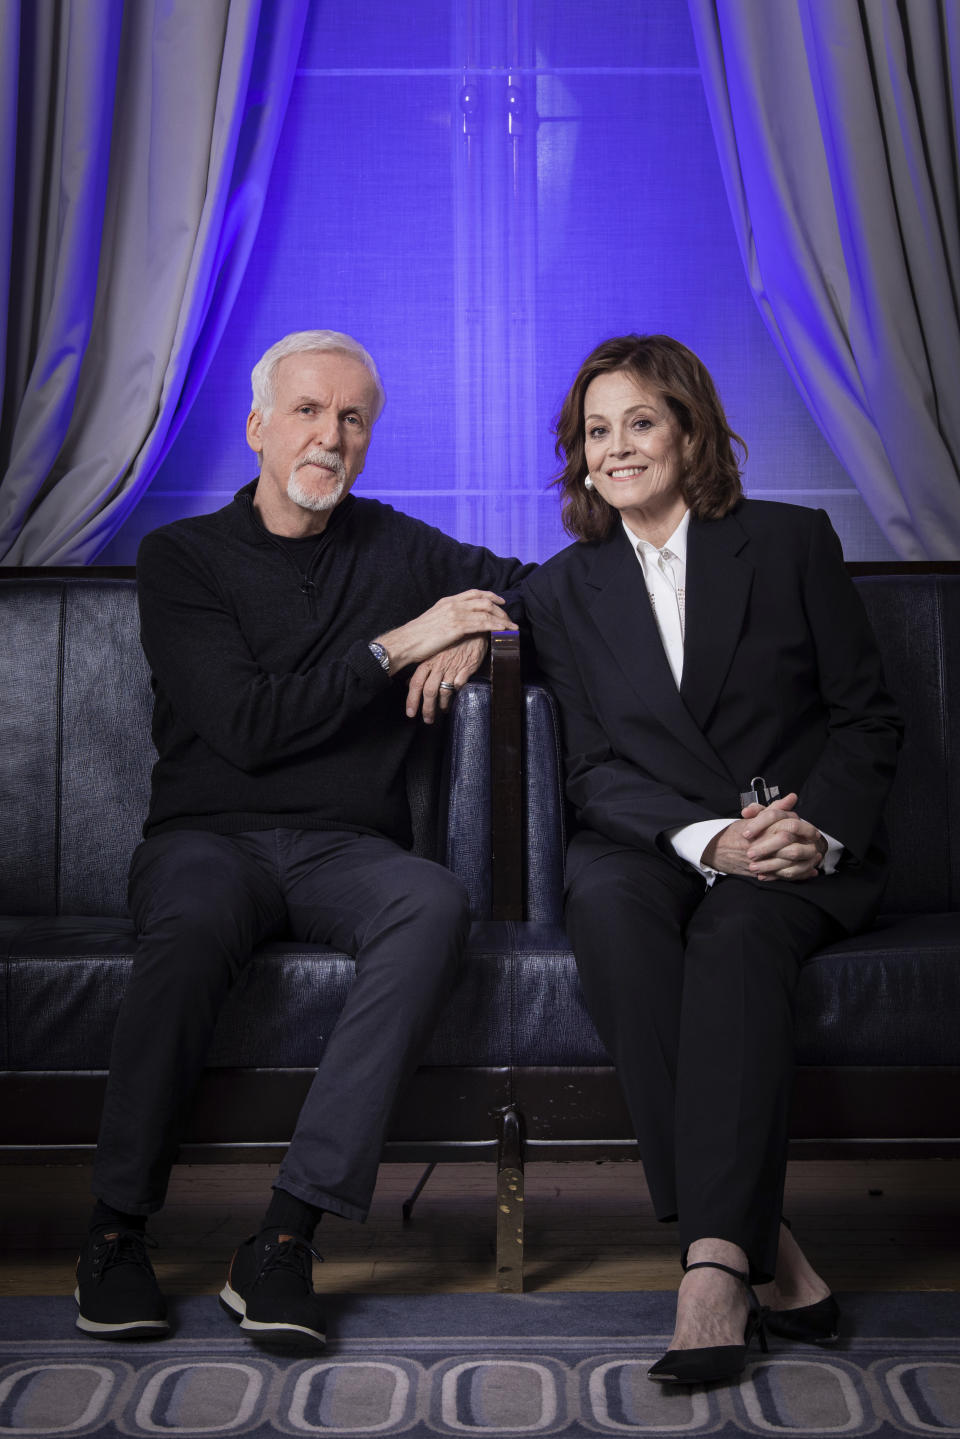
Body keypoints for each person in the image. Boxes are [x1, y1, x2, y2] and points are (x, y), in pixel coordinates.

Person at [75, 330, 533, 1347]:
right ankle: (115, 1230)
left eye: (353, 417)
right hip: (207, 838)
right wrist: (401, 643)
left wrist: (477, 628)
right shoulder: (181, 558)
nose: (330, 435)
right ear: (258, 428)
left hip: (344, 849)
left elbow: (540, 585)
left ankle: (284, 1235)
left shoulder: (401, 547)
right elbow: (243, 724)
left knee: (434, 898)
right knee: (189, 920)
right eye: (309, 411)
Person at [522, 334, 902, 1385]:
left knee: (737, 931)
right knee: (601, 904)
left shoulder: (791, 543)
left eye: (640, 421)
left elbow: (868, 722)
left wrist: (810, 827)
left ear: (691, 432)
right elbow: (590, 767)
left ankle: (710, 1270)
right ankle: (762, 1246)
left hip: (788, 844)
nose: (616, 447)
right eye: (596, 432)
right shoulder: (562, 589)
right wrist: (703, 838)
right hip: (652, 841)